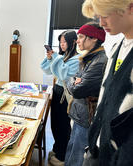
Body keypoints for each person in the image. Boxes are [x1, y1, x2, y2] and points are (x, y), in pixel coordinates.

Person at [81, 0, 133, 166]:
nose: (101, 23)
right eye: (98, 17)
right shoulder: (117, 47)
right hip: (98, 146)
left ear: (130, 8)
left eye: (105, 15)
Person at [64, 22, 107, 166]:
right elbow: (72, 78)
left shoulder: (99, 61)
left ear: (93, 38)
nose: (77, 40)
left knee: (77, 155)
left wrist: (73, 81)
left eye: (81, 37)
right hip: (79, 113)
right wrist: (74, 80)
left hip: (86, 116)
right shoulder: (87, 58)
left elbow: (77, 90)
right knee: (71, 149)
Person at [41, 30, 80, 166]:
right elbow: (47, 70)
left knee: (63, 126)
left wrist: (55, 57)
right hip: (57, 91)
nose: (62, 44)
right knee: (55, 124)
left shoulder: (77, 59)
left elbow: (63, 74)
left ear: (73, 42)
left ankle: (63, 156)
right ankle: (58, 149)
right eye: (60, 42)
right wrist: (50, 58)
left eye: (64, 42)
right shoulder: (64, 57)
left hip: (65, 94)